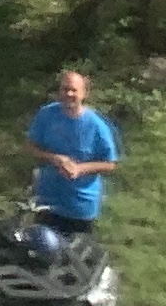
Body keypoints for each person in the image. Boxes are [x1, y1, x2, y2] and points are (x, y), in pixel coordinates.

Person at [25, 67, 120, 235]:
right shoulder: (46, 114)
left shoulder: (97, 125)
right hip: (47, 203)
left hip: (80, 207)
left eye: (74, 90)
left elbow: (110, 163)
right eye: (65, 89)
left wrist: (79, 169)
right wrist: (54, 158)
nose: (68, 94)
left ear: (84, 94)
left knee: (75, 251)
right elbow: (30, 147)